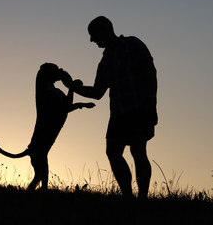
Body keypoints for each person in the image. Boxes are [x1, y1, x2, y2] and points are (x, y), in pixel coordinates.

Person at [66, 16, 158, 199]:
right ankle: (128, 197)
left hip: (140, 107)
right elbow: (98, 92)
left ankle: (143, 198)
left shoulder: (133, 44)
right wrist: (73, 86)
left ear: (104, 30)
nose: (92, 40)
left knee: (138, 151)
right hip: (118, 113)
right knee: (113, 152)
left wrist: (151, 102)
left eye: (93, 35)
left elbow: (150, 72)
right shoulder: (105, 60)